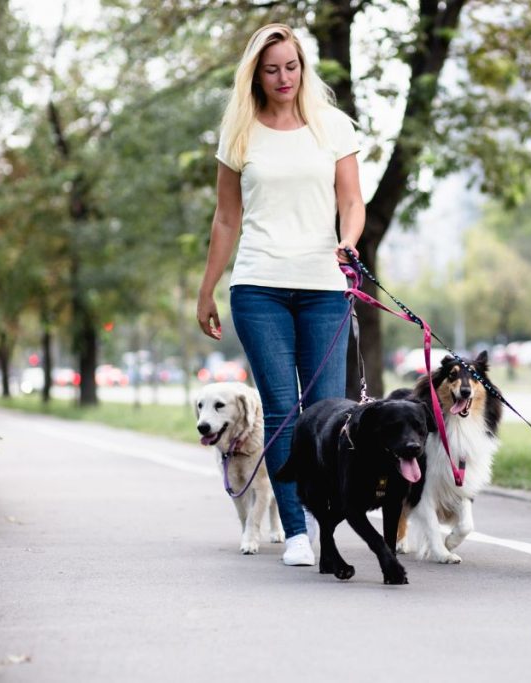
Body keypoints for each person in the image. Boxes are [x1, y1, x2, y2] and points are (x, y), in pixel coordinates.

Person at [196, 23, 364, 567]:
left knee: (329, 414)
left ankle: (325, 526)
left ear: (302, 68)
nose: (283, 77)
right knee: (283, 411)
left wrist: (348, 241)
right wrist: (207, 289)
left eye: (291, 66)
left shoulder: (333, 126)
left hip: (324, 287)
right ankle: (294, 532)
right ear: (256, 75)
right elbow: (226, 218)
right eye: (271, 69)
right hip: (258, 287)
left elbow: (352, 200)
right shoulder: (240, 134)